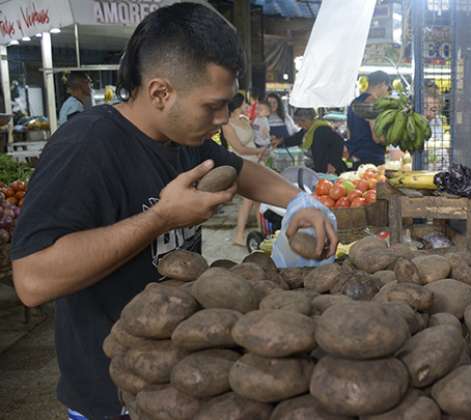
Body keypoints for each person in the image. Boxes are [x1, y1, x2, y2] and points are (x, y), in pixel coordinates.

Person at [9, 4, 337, 420]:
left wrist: (299, 201)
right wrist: (161, 218)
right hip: (114, 392)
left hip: (182, 382)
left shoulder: (183, 137)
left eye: (227, 105)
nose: (221, 121)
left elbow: (240, 171)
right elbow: (32, 280)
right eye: (212, 106)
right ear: (161, 92)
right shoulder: (86, 147)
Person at [221, 93, 268, 246]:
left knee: (260, 199)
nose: (247, 105)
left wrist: (260, 153)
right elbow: (239, 149)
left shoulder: (244, 120)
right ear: (237, 105)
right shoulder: (226, 125)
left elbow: (252, 142)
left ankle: (261, 231)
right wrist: (258, 152)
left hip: (256, 162)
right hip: (242, 164)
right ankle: (239, 235)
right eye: (244, 103)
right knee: (248, 200)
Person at [282, 108, 347, 175]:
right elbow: (295, 139)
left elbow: (339, 142)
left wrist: (333, 164)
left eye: (300, 122)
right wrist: (281, 142)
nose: (298, 125)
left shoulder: (322, 129)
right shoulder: (308, 130)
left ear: (306, 120)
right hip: (314, 168)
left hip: (327, 169)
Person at [346, 71, 391, 166]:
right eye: (387, 87)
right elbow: (377, 138)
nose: (387, 91)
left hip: (355, 155)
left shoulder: (354, 103)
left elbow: (349, 132)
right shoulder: (373, 103)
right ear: (382, 84)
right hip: (372, 158)